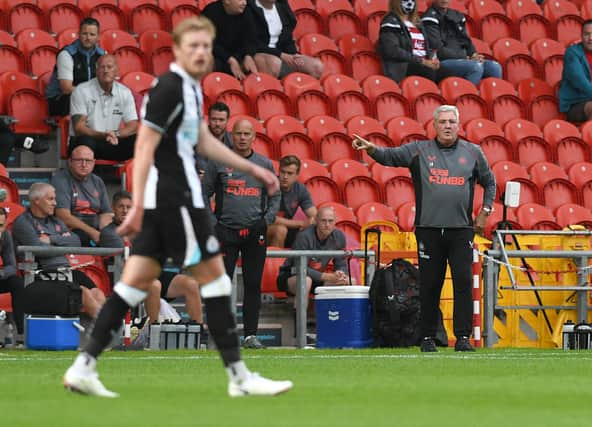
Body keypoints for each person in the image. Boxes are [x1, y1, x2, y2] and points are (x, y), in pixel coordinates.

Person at [63, 17, 292, 398]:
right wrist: (137, 206)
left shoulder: (190, 89)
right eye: (194, 46)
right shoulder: (169, 88)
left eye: (207, 46)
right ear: (179, 50)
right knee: (217, 282)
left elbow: (202, 141)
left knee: (132, 284)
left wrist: (251, 167)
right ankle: (239, 377)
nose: (202, 53)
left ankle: (83, 366)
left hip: (168, 202)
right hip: (178, 200)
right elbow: (145, 144)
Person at [352, 105, 496, 352]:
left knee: (462, 281)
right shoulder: (418, 150)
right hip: (428, 230)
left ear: (458, 125)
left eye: (452, 121)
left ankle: (462, 338)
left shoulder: (473, 152)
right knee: (430, 284)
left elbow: (490, 182)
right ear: (434, 125)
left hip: (461, 230)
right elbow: (390, 156)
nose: (448, 126)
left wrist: (485, 212)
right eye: (443, 122)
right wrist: (372, 149)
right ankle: (427, 337)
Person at [203, 118, 280, 349]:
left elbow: (275, 195)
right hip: (225, 233)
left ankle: (250, 335)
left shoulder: (264, 164)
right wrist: (213, 224)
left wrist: (266, 221)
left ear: (254, 137)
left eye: (247, 134)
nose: (242, 138)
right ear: (232, 136)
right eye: (239, 134)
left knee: (253, 284)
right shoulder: (218, 161)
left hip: (254, 234)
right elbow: (203, 193)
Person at [12, 183, 106, 317]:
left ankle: (107, 328)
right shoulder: (23, 222)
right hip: (41, 273)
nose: (55, 203)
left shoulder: (56, 221)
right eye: (50, 199)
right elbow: (39, 250)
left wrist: (51, 240)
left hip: (65, 270)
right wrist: (63, 242)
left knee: (97, 292)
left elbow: (76, 241)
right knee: (83, 292)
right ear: (36, 201)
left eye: (54, 199)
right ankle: (106, 331)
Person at [69, 55, 138, 161]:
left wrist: (115, 134)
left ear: (117, 71)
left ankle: (138, 176)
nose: (106, 70)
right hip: (88, 141)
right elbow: (79, 128)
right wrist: (103, 135)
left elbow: (133, 126)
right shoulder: (81, 90)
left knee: (141, 140)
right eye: (102, 67)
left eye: (110, 67)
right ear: (96, 71)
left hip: (112, 141)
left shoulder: (125, 92)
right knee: (85, 141)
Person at [277, 206, 350, 306]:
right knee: (305, 281)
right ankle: (300, 320)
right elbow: (299, 267)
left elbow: (340, 263)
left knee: (349, 281)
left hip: (317, 278)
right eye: (323, 221)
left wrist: (341, 273)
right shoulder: (304, 236)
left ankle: (335, 319)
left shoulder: (339, 236)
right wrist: (326, 276)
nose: (327, 225)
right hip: (291, 275)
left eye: (330, 221)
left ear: (335, 222)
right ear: (316, 221)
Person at [50, 144, 118, 247]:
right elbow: (63, 216)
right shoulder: (61, 180)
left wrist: (105, 233)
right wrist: (92, 232)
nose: (84, 164)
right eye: (79, 160)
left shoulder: (97, 181)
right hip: (71, 232)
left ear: (94, 162)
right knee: (82, 237)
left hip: (95, 230)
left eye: (88, 161)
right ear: (70, 162)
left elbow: (106, 213)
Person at [421, 0, 502, 85]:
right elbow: (438, 49)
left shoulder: (456, 15)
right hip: (441, 62)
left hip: (462, 59)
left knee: (494, 67)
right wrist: (464, 57)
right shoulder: (429, 18)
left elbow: (466, 40)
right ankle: (468, 96)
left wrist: (473, 54)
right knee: (475, 67)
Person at [246, 0, 323, 79]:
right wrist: (280, 54)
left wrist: (293, 54)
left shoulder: (281, 7)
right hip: (258, 53)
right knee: (274, 63)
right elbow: (251, 42)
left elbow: (287, 37)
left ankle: (303, 89)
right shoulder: (249, 9)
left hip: (282, 54)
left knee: (317, 67)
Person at [45, 18, 105, 117]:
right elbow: (66, 89)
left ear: (98, 37)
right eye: (84, 34)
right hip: (60, 100)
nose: (88, 38)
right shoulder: (67, 54)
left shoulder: (102, 55)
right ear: (79, 34)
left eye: (92, 34)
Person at [377, 0, 439, 83]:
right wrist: (422, 61)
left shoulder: (418, 23)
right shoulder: (390, 21)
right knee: (430, 70)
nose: (410, 2)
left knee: (447, 71)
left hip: (423, 64)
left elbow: (425, 47)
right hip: (403, 66)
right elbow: (391, 50)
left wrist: (433, 58)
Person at [267, 155, 317, 248]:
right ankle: (276, 262)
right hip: (263, 228)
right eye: (283, 172)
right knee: (280, 230)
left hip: (287, 229)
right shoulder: (270, 186)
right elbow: (270, 219)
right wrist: (301, 223)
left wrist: (313, 221)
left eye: (289, 173)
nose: (285, 177)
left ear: (297, 175)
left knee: (312, 230)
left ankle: (306, 262)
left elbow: (314, 215)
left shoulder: (300, 189)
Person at [202, 0, 258, 80]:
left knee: (259, 59)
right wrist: (230, 59)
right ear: (227, 1)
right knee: (206, 59)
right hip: (217, 55)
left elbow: (252, 39)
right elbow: (207, 42)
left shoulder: (247, 11)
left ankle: (255, 88)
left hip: (238, 55)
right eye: (240, 0)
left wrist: (248, 55)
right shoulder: (211, 11)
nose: (244, 3)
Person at [0, 207, 25, 346]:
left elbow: (11, 266)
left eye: (1, 225)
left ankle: (20, 335)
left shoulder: (5, 236)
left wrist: (1, 273)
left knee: (17, 283)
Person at [559, 20, 592, 123]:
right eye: (587, 34)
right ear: (581, 36)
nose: (590, 38)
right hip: (576, 104)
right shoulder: (572, 53)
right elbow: (580, 81)